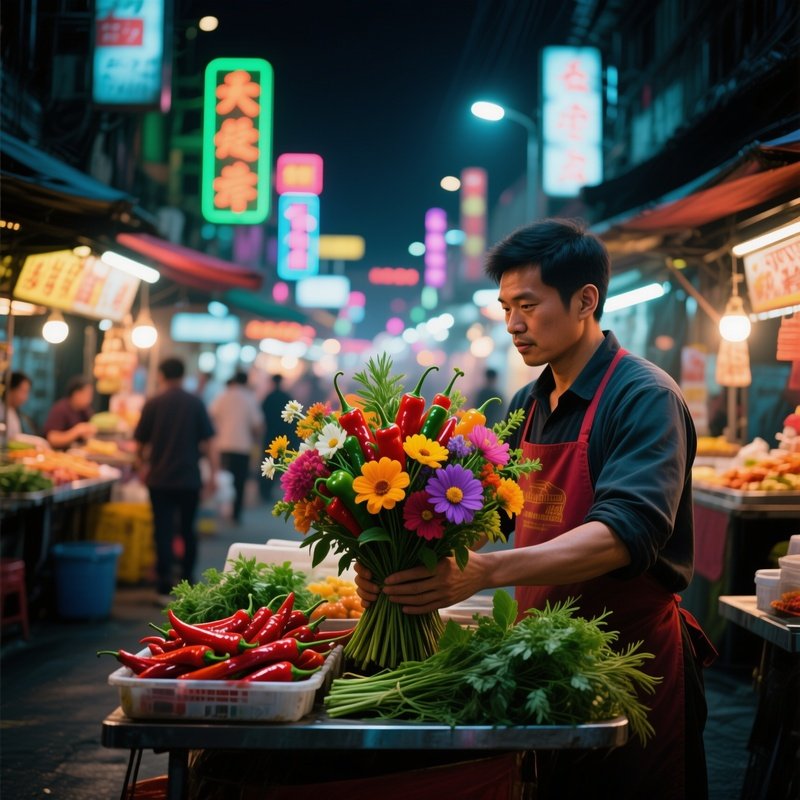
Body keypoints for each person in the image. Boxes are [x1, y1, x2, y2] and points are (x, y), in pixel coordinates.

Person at [355, 219, 715, 800]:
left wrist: (488, 570)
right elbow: (480, 512)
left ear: (584, 301)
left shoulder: (644, 397)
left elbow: (627, 533)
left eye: (528, 304)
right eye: (505, 307)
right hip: (541, 655)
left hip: (626, 660)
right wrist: (401, 564)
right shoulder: (527, 403)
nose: (513, 325)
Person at [134, 357, 217, 604]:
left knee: (163, 531)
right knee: (188, 530)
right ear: (183, 375)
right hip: (189, 479)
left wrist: (141, 465)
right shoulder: (195, 403)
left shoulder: (153, 403)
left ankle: (163, 586)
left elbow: (139, 443)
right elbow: (210, 442)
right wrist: (213, 475)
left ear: (160, 375)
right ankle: (188, 581)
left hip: (159, 479)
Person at [209, 370, 264, 524]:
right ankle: (235, 514)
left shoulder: (223, 396)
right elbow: (257, 425)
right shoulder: (249, 398)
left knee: (222, 480)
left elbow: (211, 415)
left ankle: (218, 512)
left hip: (222, 445)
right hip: (242, 446)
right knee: (239, 483)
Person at [260, 374, 296, 500]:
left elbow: (262, 417)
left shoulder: (268, 398)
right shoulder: (286, 398)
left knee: (268, 462)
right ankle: (272, 488)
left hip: (270, 436)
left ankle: (265, 490)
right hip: (283, 438)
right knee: (280, 463)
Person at [42, 375, 97, 449]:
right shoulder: (60, 409)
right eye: (87, 394)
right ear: (76, 394)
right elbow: (52, 439)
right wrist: (77, 430)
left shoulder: (85, 410)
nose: (90, 399)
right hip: (58, 454)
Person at [0, 371, 33, 440]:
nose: (25, 398)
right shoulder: (2, 411)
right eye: (23, 391)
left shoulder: (14, 411)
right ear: (11, 389)